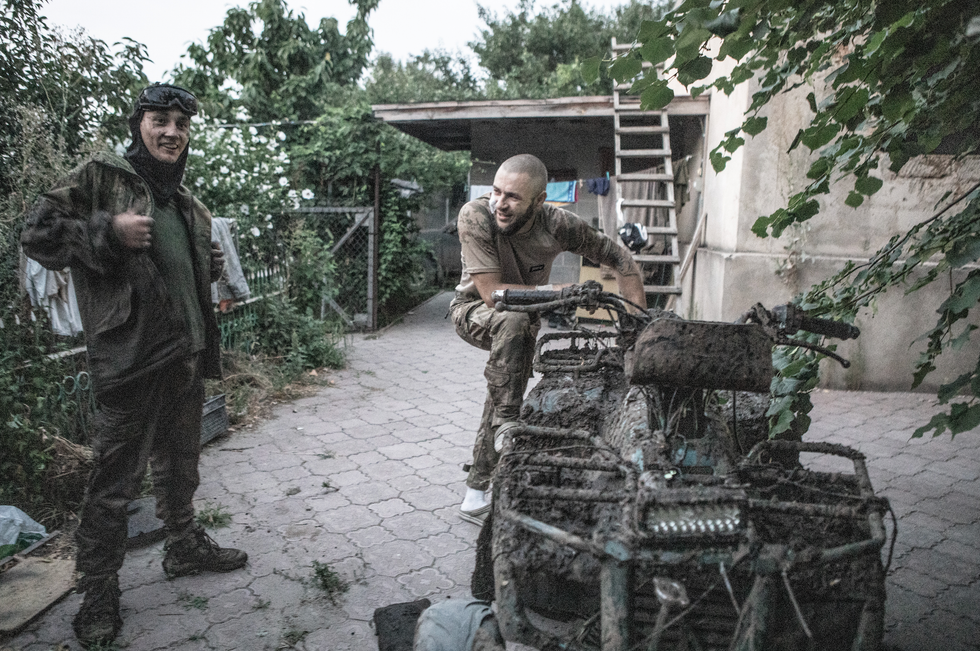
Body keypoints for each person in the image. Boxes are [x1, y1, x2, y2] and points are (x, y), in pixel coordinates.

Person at [20, 83, 247, 648]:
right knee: (114, 484)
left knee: (181, 464)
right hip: (131, 358)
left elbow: (176, 274)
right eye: (160, 121)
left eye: (182, 124)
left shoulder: (186, 202)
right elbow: (36, 235)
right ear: (138, 125)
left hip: (185, 353)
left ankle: (183, 546)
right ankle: (98, 589)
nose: (172, 132)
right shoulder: (101, 177)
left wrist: (205, 261)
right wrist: (108, 231)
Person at [450, 154, 646, 522]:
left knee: (507, 376)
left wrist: (636, 331)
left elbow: (621, 260)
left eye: (513, 197)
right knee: (511, 331)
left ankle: (475, 492)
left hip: (522, 321)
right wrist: (562, 292)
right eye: (496, 191)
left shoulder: (558, 224)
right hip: (473, 310)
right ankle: (508, 423)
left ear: (539, 201)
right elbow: (492, 294)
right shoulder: (475, 215)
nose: (500, 203)